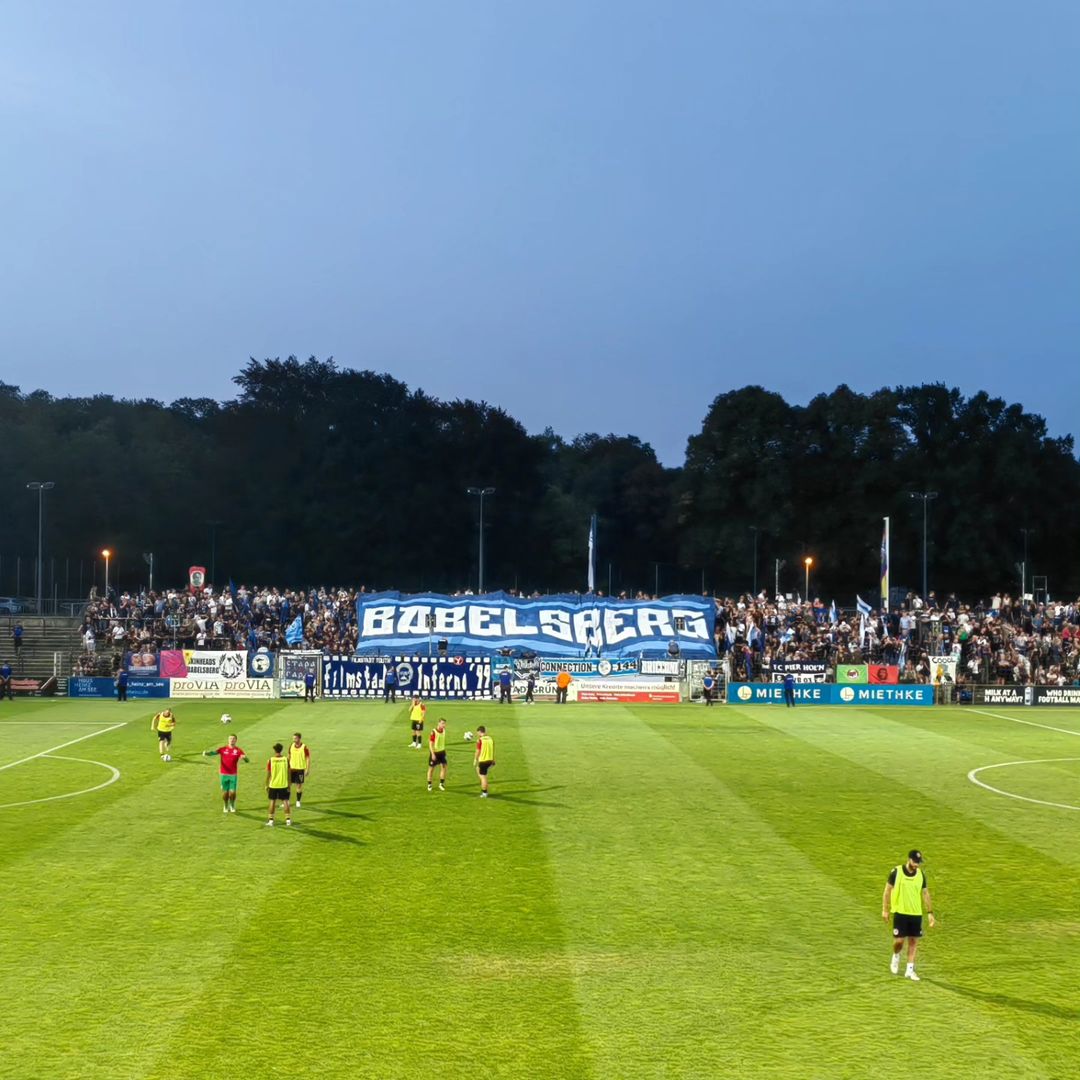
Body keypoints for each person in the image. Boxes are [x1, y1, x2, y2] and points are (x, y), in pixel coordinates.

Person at [882, 850, 936, 981]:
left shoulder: (921, 875)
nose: (917, 864)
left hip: (915, 914)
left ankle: (909, 970)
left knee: (913, 942)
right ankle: (896, 956)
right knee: (899, 942)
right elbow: (887, 890)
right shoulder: (896, 872)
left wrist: (930, 913)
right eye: (915, 862)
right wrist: (885, 910)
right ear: (909, 859)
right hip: (900, 913)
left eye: (919, 862)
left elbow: (925, 893)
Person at [203, 733, 249, 813]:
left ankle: (232, 805)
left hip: (233, 775)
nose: (232, 740)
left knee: (232, 792)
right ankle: (225, 805)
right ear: (228, 740)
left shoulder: (238, 750)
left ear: (236, 740)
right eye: (230, 738)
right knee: (225, 793)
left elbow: (247, 761)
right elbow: (214, 752)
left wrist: (245, 758)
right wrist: (207, 753)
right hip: (224, 774)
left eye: (233, 739)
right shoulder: (223, 749)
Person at [265, 743, 292, 827]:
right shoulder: (286, 760)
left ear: (274, 750)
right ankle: (288, 820)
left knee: (272, 801)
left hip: (273, 785)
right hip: (284, 784)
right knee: (285, 801)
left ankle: (271, 821)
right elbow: (289, 773)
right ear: (281, 750)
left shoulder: (271, 760)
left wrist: (266, 784)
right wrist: (289, 784)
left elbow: (268, 774)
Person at [288, 732, 311, 808]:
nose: (294, 739)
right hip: (291, 769)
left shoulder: (304, 747)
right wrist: (287, 766)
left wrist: (307, 769)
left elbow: (308, 758)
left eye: (295, 738)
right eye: (293, 738)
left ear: (299, 738)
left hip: (300, 769)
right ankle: (286, 801)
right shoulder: (291, 746)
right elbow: (289, 756)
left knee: (298, 786)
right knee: (288, 785)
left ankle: (298, 801)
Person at [473, 724, 495, 798]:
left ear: (480, 732)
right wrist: (493, 759)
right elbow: (492, 749)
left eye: (478, 733)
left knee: (483, 777)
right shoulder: (491, 739)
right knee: (478, 769)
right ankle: (483, 783)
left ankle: (484, 792)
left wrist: (475, 759)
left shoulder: (480, 740)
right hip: (490, 760)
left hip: (483, 760)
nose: (477, 734)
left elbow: (477, 751)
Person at [427, 718, 448, 791]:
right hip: (435, 753)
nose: (444, 725)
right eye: (442, 723)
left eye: (444, 723)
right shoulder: (434, 732)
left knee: (444, 767)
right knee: (431, 769)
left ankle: (441, 784)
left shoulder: (444, 730)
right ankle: (429, 784)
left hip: (442, 752)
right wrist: (433, 754)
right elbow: (430, 744)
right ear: (438, 723)